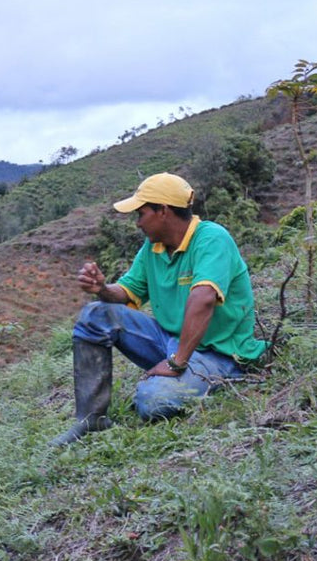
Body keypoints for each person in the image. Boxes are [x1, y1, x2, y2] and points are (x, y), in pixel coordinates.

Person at [50, 172, 265, 446]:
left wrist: (177, 361)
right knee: (95, 314)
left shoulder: (212, 238)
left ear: (163, 211)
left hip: (218, 351)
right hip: (171, 340)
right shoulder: (153, 247)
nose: (138, 222)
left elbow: (203, 299)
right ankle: (90, 419)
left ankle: (215, 379)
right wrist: (102, 288)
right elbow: (127, 292)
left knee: (153, 401)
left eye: (141, 214)